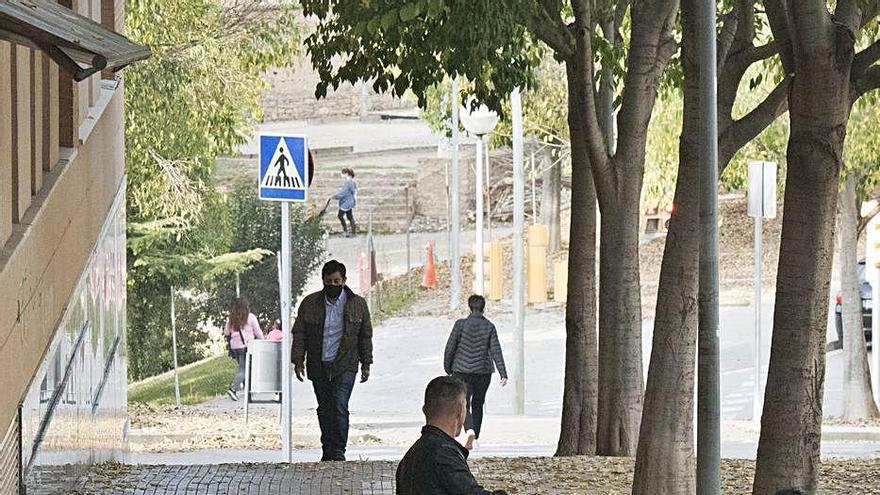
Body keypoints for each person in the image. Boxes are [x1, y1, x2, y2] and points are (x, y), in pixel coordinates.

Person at [292, 259, 373, 461]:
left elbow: (365, 335)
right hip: (319, 364)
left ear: (344, 280)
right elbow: (300, 333)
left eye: (337, 281)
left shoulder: (358, 304)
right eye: (329, 281)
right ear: (323, 281)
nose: (333, 285)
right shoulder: (309, 304)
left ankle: (338, 451)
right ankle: (327, 449)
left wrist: (366, 363)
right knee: (324, 408)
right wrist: (298, 360)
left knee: (339, 404)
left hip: (346, 363)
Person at [396, 376, 508, 495]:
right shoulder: (444, 454)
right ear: (460, 411)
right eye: (465, 406)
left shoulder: (408, 458)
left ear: (425, 410)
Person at [443, 294, 507, 446]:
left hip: (461, 371)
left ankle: (469, 430)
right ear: (483, 308)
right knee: (478, 403)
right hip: (482, 372)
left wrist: (448, 367)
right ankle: (476, 437)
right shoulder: (489, 326)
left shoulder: (460, 324)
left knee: (464, 403)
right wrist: (503, 373)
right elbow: (496, 350)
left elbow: (450, 348)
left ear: (469, 307)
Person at [224, 297, 264, 401]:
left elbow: (226, 332)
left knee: (244, 367)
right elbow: (258, 332)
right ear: (246, 306)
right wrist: (263, 340)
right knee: (244, 369)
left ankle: (248, 391)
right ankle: (233, 389)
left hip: (235, 347)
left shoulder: (231, 318)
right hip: (246, 346)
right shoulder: (250, 317)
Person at [330, 168, 357, 237]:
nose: (341, 175)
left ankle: (345, 231)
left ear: (347, 174)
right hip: (350, 201)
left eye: (343, 173)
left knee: (340, 215)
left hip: (346, 202)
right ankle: (353, 232)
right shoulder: (352, 182)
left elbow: (343, 193)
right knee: (349, 216)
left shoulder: (348, 182)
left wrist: (335, 196)